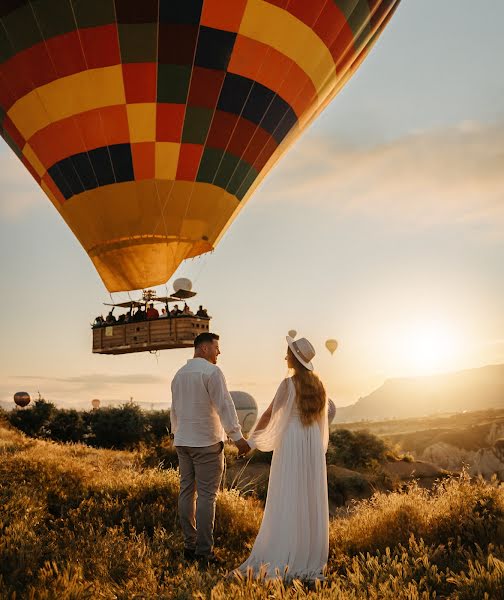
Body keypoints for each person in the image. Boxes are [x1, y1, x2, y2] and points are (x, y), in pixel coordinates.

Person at [235, 336, 329, 582]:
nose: (285, 357)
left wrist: (251, 442)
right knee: (308, 495)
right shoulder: (319, 386)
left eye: (287, 353)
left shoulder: (288, 384)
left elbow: (268, 414)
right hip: (310, 444)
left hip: (291, 441)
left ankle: (285, 550)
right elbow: (325, 417)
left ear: (294, 358)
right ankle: (306, 555)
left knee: (288, 492)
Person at [171, 332, 250, 567]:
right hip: (206, 443)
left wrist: (177, 434)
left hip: (183, 441)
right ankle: (204, 552)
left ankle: (189, 545)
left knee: (186, 492)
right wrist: (238, 437)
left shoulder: (178, 375)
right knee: (206, 496)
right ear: (204, 349)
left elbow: (174, 409)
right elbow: (225, 405)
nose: (219, 352)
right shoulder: (212, 372)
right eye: (217, 347)